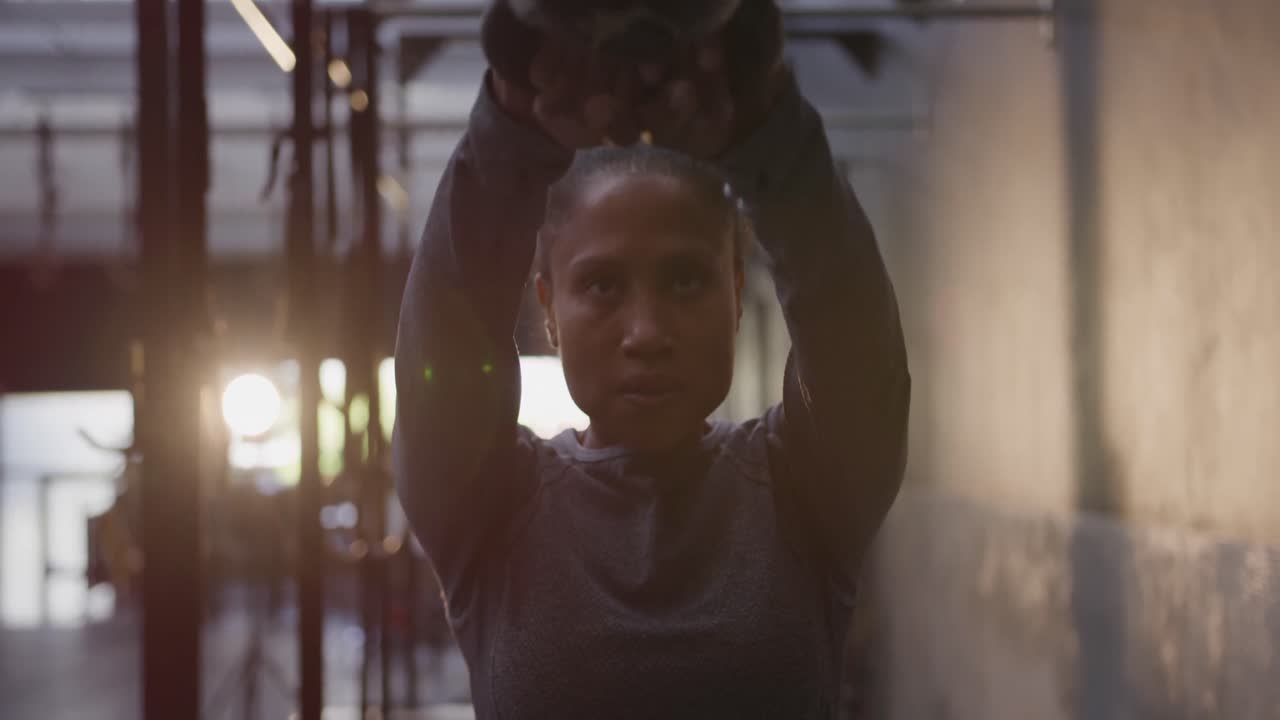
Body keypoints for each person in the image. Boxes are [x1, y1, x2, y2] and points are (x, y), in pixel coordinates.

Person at [393, 26, 911, 719]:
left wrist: (768, 130)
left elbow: (853, 339)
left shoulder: (805, 490)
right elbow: (449, 339)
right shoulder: (488, 508)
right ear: (549, 308)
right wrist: (513, 125)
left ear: (735, 294)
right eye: (603, 286)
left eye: (687, 281)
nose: (647, 333)